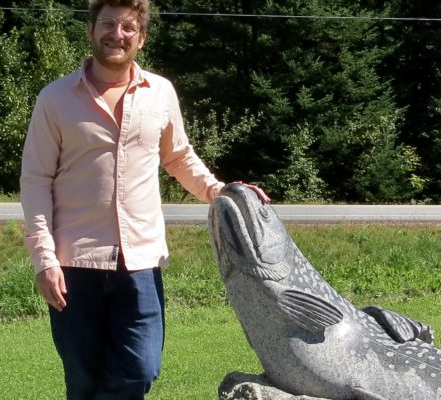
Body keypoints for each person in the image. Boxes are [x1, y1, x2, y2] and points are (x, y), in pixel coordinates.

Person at [19, 0, 269, 398]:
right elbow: (35, 180)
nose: (116, 34)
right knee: (83, 380)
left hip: (140, 262)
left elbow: (179, 156)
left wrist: (220, 191)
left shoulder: (160, 93)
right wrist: (44, 259)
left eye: (127, 27)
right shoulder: (55, 98)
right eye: (108, 24)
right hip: (73, 265)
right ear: (91, 30)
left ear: (141, 38)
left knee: (141, 369)